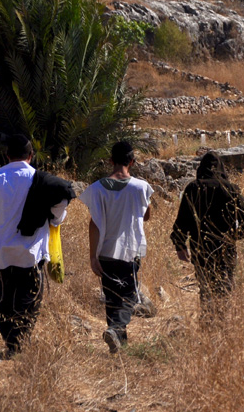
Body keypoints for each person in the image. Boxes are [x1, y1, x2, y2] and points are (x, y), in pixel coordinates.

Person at [0, 134, 73, 356]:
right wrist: (55, 219)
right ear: (31, 156)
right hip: (29, 254)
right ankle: (18, 344)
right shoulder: (41, 181)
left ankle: (12, 342)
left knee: (6, 296)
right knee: (29, 298)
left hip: (1, 253)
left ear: (7, 156)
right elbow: (62, 199)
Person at [80, 141, 156, 353]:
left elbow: (94, 223)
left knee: (112, 295)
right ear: (131, 161)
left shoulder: (96, 189)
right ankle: (115, 330)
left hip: (105, 251)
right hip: (130, 250)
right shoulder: (140, 187)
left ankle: (118, 342)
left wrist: (93, 256)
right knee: (129, 295)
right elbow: (147, 215)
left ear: (111, 161)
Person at [171, 152, 244, 327]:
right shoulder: (230, 188)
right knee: (225, 286)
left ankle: (208, 324)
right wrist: (234, 236)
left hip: (201, 249)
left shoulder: (194, 188)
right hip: (226, 249)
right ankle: (222, 324)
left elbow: (182, 220)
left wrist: (180, 245)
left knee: (206, 287)